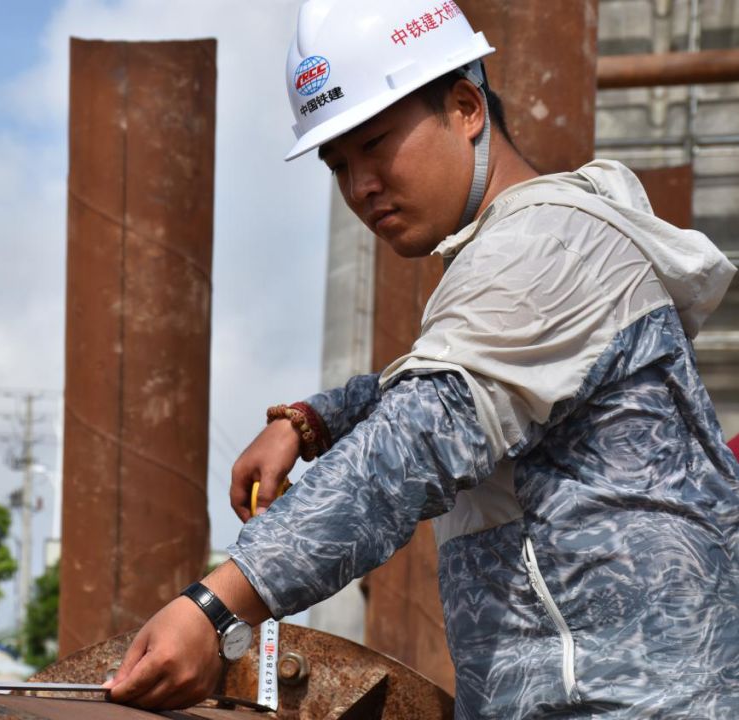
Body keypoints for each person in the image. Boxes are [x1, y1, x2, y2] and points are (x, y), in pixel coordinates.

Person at [105, 0, 739, 716]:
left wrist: (216, 609)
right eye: (338, 163)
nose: (359, 186)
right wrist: (314, 421)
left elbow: (410, 446)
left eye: (375, 144)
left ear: (467, 107)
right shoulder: (527, 252)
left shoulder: (545, 248)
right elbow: (444, 384)